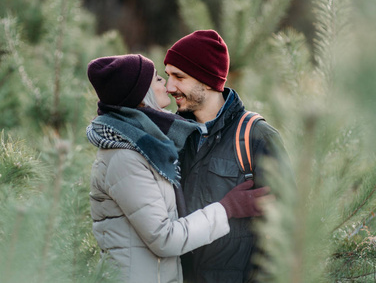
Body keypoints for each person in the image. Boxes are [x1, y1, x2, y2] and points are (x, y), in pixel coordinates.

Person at [85, 54, 269, 283]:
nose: (168, 87)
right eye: (159, 79)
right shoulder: (126, 158)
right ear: (142, 95)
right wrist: (227, 208)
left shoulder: (150, 145)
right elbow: (164, 239)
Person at [164, 30, 293, 282]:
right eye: (167, 76)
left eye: (179, 77)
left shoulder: (256, 136)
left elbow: (288, 227)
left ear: (208, 80)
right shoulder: (172, 136)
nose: (170, 87)